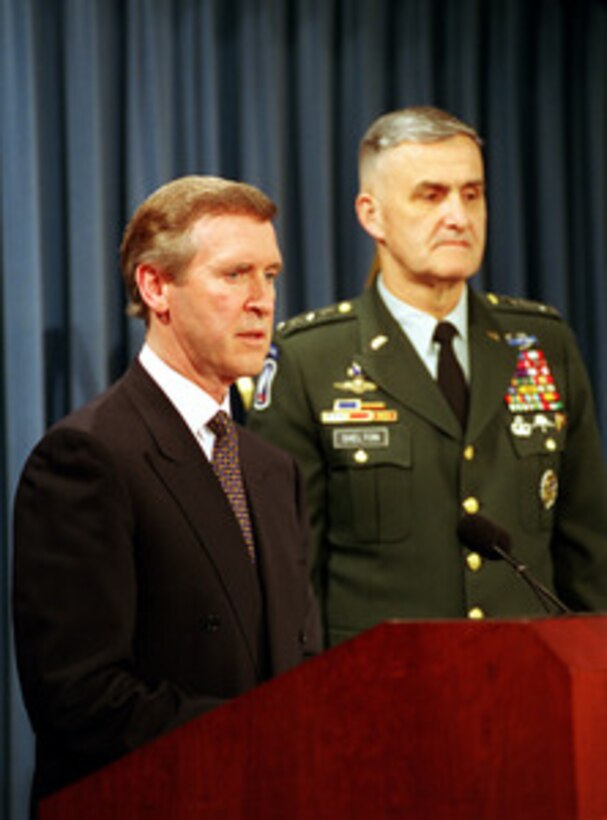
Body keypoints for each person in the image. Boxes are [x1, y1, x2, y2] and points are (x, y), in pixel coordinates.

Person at [12, 175, 320, 813]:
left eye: (270, 275)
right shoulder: (88, 457)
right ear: (157, 287)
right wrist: (264, 737)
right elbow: (82, 700)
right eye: (234, 275)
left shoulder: (271, 469)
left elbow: (298, 660)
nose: (262, 301)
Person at [248, 106, 607, 648]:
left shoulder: (543, 342)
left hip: (531, 695)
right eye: (431, 195)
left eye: (473, 194)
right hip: (380, 699)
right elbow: (290, 577)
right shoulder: (308, 359)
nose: (459, 217)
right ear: (371, 215)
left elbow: (588, 557)